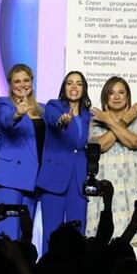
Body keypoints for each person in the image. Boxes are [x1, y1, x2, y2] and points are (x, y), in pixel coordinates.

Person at [88, 76, 137, 241]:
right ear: (105, 97)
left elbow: (134, 142)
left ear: (127, 96)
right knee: (105, 232)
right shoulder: (96, 121)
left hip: (132, 183)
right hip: (107, 182)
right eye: (112, 93)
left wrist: (113, 122)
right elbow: (101, 145)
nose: (116, 97)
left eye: (121, 92)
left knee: (135, 234)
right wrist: (123, 121)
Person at [0, 64, 43, 240]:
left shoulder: (42, 109)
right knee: (6, 234)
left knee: (25, 237)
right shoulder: (3, 104)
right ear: (10, 85)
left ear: (32, 82)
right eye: (17, 81)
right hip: (9, 177)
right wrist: (18, 114)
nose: (22, 84)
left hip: (34, 179)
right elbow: (6, 121)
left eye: (26, 80)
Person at [37, 71, 92, 237]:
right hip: (55, 178)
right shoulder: (54, 106)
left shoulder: (88, 115)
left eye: (78, 83)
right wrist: (62, 120)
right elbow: (54, 119)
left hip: (79, 181)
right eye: (69, 83)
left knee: (77, 234)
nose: (74, 86)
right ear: (64, 87)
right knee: (51, 233)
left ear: (84, 89)